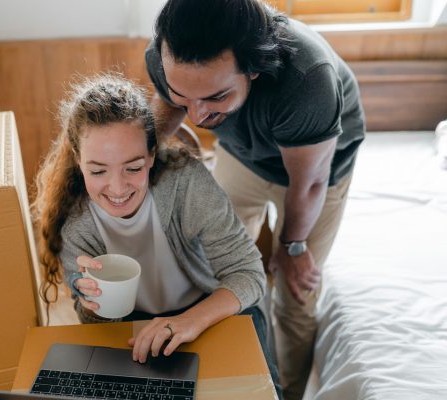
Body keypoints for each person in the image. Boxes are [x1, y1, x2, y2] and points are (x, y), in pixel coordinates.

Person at [144, 1, 366, 399]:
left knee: (295, 293)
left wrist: (292, 246)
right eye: (184, 96)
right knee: (215, 273)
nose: (196, 116)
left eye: (214, 97)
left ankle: (288, 392)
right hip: (243, 156)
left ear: (254, 69)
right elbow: (168, 114)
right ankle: (229, 384)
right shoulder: (165, 53)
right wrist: (136, 163)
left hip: (317, 172)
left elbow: (310, 183)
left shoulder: (307, 77)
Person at [31, 74, 281, 396]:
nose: (118, 189)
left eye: (133, 168)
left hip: (212, 311)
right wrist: (92, 303)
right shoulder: (76, 224)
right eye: (97, 171)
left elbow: (249, 275)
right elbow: (101, 330)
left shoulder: (185, 184)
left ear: (151, 154)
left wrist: (187, 321)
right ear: (78, 161)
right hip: (139, 329)